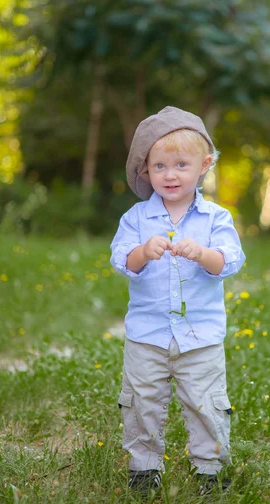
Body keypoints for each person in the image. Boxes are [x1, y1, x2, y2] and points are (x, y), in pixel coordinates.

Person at [110, 106, 245, 496]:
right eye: (159, 166)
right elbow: (121, 259)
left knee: (205, 403)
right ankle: (144, 467)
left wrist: (202, 253)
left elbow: (229, 261)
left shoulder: (216, 218)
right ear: (145, 170)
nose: (170, 175)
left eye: (181, 165)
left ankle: (210, 470)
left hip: (199, 336)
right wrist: (142, 251)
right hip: (147, 336)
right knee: (141, 402)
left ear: (203, 165)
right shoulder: (137, 218)